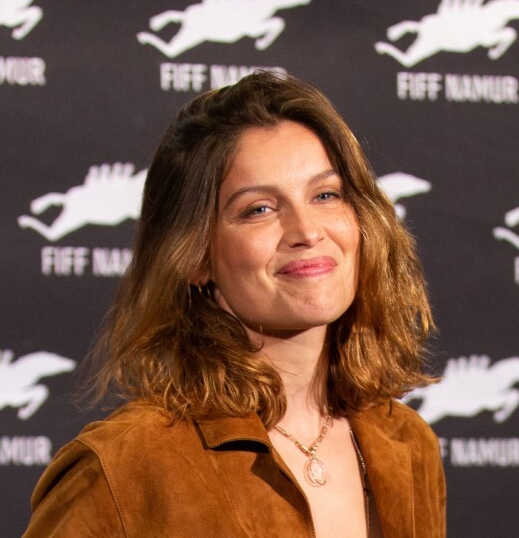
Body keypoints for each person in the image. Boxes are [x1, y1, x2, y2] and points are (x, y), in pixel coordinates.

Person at [24, 71, 445, 537]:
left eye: (326, 195)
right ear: (195, 256)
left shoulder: (407, 444)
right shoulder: (123, 467)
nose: (306, 231)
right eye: (259, 209)